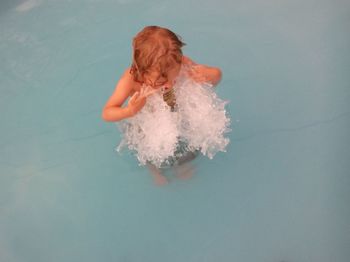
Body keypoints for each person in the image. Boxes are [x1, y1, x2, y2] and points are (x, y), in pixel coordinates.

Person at [102, 25, 230, 186]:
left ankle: (183, 164)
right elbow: (107, 112)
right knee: (145, 143)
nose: (169, 85)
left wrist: (213, 74)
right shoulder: (130, 80)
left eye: (174, 77)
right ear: (142, 70)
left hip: (173, 109)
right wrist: (130, 110)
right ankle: (154, 170)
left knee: (189, 136)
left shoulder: (179, 61)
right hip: (144, 120)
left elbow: (213, 81)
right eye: (162, 82)